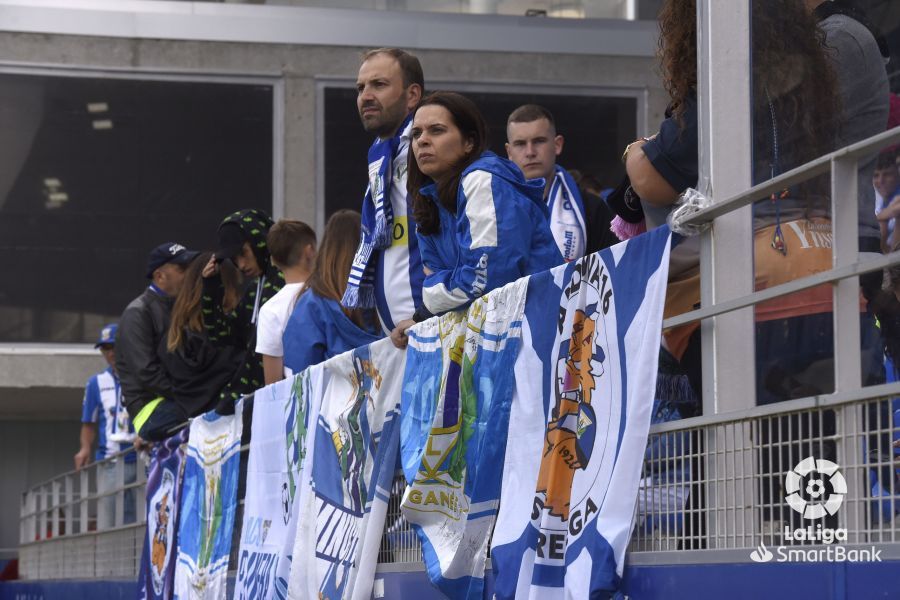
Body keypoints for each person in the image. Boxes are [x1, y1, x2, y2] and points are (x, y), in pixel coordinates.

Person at [405, 91, 562, 328]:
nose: (422, 140)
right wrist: (421, 317)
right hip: (492, 335)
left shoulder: (483, 179)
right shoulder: (428, 199)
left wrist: (430, 295)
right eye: (416, 133)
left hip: (540, 329)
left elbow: (484, 280)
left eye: (436, 130)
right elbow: (448, 280)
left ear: (469, 142)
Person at [344, 48, 426, 341]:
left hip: (433, 331)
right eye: (360, 87)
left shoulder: (425, 151)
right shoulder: (381, 157)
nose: (365, 95)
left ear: (412, 95)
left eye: (378, 85)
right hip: (398, 339)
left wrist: (426, 315)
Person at [505, 104, 619, 260]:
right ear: (509, 152)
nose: (530, 152)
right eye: (520, 144)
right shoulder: (492, 207)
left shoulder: (592, 208)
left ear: (557, 145)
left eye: (539, 141)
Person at [201, 208, 285, 413]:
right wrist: (211, 288)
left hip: (279, 400)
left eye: (243, 253)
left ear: (260, 241)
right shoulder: (255, 288)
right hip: (261, 403)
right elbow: (221, 336)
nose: (240, 265)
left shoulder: (284, 280)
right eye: (234, 258)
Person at [282, 210, 382, 375]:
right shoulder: (381, 297)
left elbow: (300, 372)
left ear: (326, 249)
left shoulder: (311, 304)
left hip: (333, 398)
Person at [117, 242, 199, 443]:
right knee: (215, 409)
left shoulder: (181, 307)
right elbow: (147, 372)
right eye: (182, 269)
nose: (190, 274)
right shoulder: (138, 312)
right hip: (151, 409)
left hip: (175, 402)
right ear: (160, 276)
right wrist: (195, 394)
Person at [163, 252, 245, 417]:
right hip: (231, 427)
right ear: (228, 287)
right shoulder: (233, 334)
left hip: (189, 431)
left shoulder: (174, 336)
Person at [74, 323, 137, 528]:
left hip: (142, 459)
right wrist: (84, 448)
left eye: (114, 346)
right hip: (109, 462)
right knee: (109, 524)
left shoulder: (143, 376)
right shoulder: (95, 383)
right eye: (105, 348)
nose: (110, 353)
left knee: (141, 521)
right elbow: (89, 423)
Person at [255, 219, 317, 385]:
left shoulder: (270, 310)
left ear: (273, 260)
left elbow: (273, 385)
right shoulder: (332, 293)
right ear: (309, 251)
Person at [874, 151, 900, 251]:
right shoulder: (881, 203)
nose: (880, 181)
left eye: (887, 174)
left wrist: (881, 217)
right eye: (876, 175)